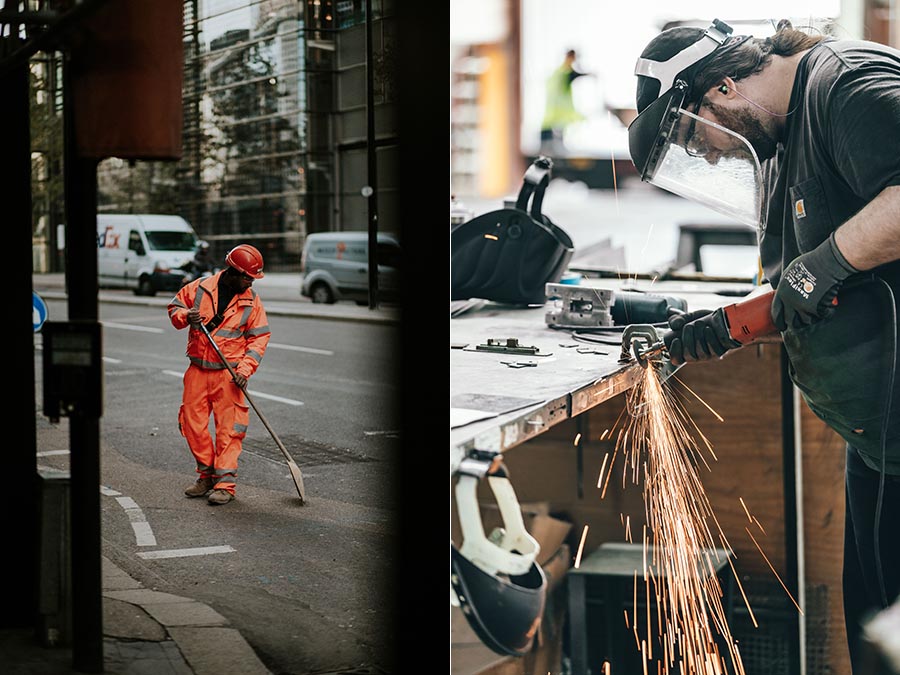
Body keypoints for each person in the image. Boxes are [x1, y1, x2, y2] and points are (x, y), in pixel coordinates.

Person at [629, 18, 900, 672]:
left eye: (700, 138)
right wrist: (727, 327)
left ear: (722, 89)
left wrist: (825, 265)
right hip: (879, 442)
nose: (712, 155)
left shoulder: (845, 85)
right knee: (877, 638)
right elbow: (799, 289)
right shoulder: (782, 149)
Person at [167, 244, 271, 505]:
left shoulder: (251, 301)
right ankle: (206, 475)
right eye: (247, 277)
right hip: (198, 371)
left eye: (252, 278)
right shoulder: (200, 288)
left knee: (229, 430)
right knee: (193, 425)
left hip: (229, 374)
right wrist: (184, 316)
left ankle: (225, 484)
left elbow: (258, 339)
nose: (250, 282)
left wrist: (245, 370)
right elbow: (174, 307)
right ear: (233, 271)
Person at [540, 49, 590, 153]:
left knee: (550, 149)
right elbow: (576, 74)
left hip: (552, 119)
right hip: (556, 119)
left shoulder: (558, 73)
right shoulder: (564, 73)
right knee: (551, 151)